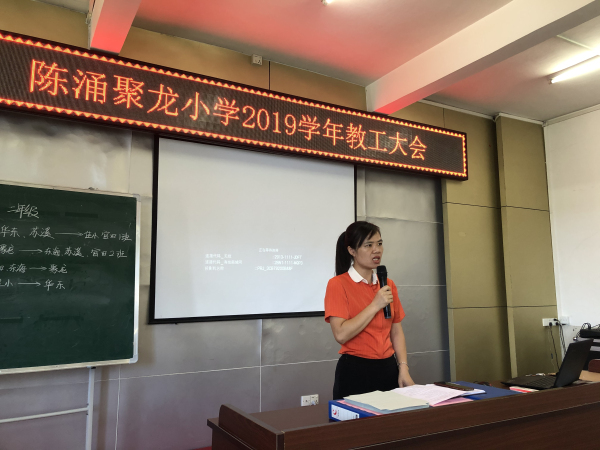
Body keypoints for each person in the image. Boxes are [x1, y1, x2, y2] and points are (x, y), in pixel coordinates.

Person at [325, 221, 414, 400]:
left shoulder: (388, 284)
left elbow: (396, 330)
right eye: (368, 245)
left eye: (379, 243)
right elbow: (341, 334)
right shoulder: (338, 284)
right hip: (356, 371)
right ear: (352, 251)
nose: (377, 250)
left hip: (389, 368)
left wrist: (403, 368)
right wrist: (375, 305)